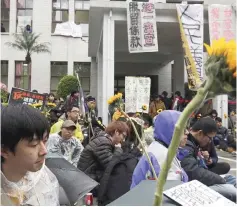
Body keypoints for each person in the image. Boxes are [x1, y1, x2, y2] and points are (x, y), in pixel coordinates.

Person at [1, 104, 59, 205]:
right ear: (4, 150)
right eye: (34, 144)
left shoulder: (43, 178)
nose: (44, 151)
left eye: (45, 141)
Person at [131, 111, 189, 189]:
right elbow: (171, 191)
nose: (187, 132)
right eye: (184, 129)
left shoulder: (160, 149)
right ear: (172, 131)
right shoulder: (162, 156)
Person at [180, 117, 234, 186]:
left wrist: (209, 160)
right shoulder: (186, 145)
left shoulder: (196, 143)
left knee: (231, 178)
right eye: (184, 131)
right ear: (200, 133)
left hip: (202, 172)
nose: (187, 133)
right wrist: (222, 180)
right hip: (196, 183)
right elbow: (193, 172)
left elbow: (214, 158)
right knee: (230, 188)